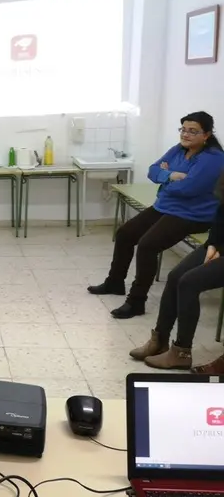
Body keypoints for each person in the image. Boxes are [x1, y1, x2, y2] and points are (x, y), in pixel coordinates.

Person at [88, 111, 224, 319]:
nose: (185, 135)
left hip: (193, 214)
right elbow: (152, 171)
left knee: (147, 245)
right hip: (166, 206)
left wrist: (166, 182)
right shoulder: (179, 150)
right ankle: (115, 282)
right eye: (183, 130)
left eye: (192, 131)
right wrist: (171, 175)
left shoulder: (213, 158)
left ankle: (136, 301)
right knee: (125, 233)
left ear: (206, 135)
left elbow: (189, 189)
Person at [130, 182, 224, 370]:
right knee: (175, 276)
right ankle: (159, 341)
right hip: (219, 244)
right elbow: (221, 212)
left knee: (189, 282)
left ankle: (181, 352)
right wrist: (214, 243)